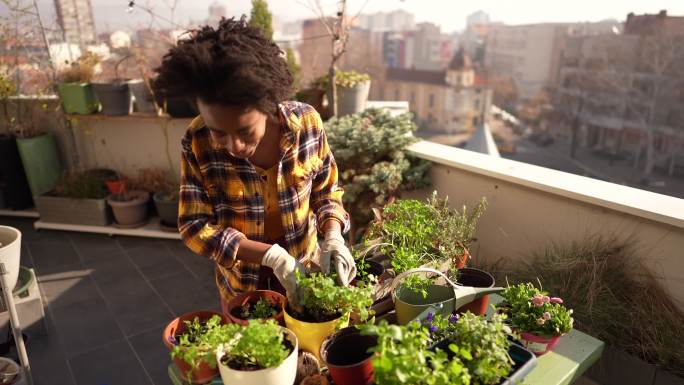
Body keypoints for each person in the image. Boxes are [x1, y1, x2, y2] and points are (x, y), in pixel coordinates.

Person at [153, 17, 356, 310]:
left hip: (306, 268)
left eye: (245, 131)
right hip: (242, 280)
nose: (234, 147)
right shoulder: (197, 140)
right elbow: (194, 226)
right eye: (219, 132)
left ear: (269, 106)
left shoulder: (307, 124)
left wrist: (334, 235)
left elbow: (327, 191)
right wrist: (271, 256)